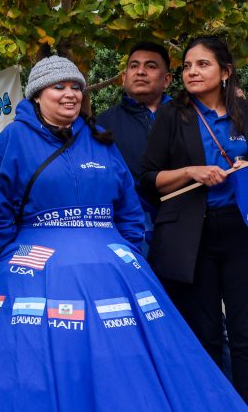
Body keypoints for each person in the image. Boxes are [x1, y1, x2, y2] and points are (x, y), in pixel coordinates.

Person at [0, 55, 246, 411]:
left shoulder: (100, 138)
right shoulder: (13, 139)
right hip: (33, 271)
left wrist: (125, 251)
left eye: (76, 87)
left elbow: (127, 205)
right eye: (59, 87)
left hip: (112, 270)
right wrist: (11, 259)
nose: (70, 95)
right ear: (37, 95)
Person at [140, 36, 248, 402]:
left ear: (226, 72)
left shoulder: (244, 112)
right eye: (187, 66)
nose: (192, 72)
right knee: (204, 333)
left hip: (240, 228)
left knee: (245, 330)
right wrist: (192, 171)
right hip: (192, 234)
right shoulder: (174, 113)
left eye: (202, 64)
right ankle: (210, 402)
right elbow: (149, 178)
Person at [97, 41, 172, 183]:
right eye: (134, 66)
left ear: (166, 80)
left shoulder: (187, 116)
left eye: (151, 66)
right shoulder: (102, 124)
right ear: (124, 78)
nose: (140, 72)